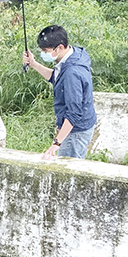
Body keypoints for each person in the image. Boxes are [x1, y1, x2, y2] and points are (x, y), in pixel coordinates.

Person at [23, 25, 97, 159]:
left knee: (68, 172)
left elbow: (74, 113)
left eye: (45, 50)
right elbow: (56, 77)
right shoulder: (75, 54)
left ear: (60, 47)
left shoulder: (72, 73)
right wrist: (33, 64)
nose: (43, 53)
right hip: (79, 125)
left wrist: (56, 143)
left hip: (76, 131)